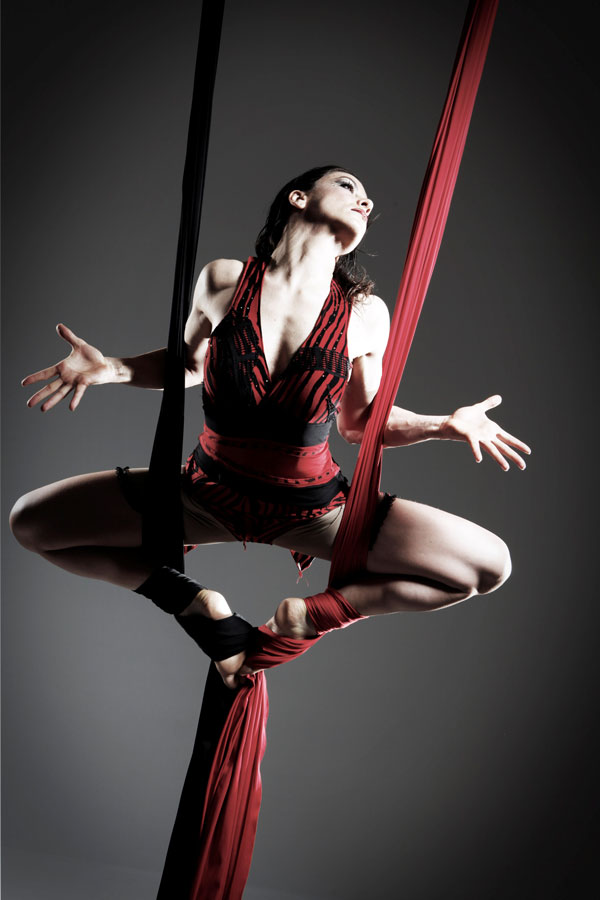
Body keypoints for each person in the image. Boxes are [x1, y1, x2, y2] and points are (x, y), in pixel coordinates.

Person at [9, 165, 530, 687]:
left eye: (370, 200)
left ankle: (315, 616)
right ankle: (191, 602)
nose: (366, 203)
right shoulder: (224, 279)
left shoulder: (365, 314)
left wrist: (446, 423)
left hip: (314, 508)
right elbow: (188, 366)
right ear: (298, 198)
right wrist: (111, 370)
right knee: (30, 521)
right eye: (349, 187)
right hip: (203, 493)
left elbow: (362, 422)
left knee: (489, 566)